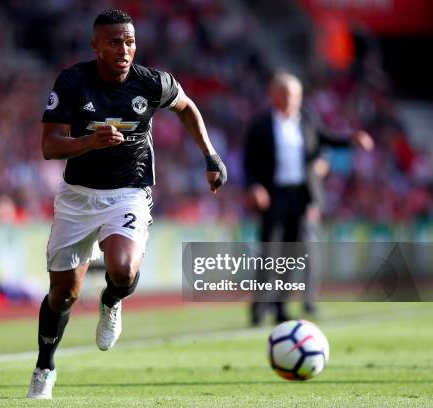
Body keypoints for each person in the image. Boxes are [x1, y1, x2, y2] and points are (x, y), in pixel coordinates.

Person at [26, 9, 227, 399]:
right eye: (115, 42)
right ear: (96, 46)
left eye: (130, 41)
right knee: (62, 295)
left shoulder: (152, 82)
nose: (124, 49)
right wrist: (89, 142)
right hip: (78, 197)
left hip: (129, 191)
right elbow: (49, 145)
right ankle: (45, 367)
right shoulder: (73, 81)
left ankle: (111, 301)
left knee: (121, 268)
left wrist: (211, 157)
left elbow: (186, 108)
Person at [243, 71, 373, 326]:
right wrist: (255, 186)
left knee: (292, 254)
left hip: (301, 196)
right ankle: (259, 308)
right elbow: (249, 163)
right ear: (274, 95)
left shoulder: (307, 121)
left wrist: (352, 140)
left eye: (296, 95)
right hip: (274, 195)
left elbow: (328, 138)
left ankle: (280, 308)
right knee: (270, 253)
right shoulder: (260, 125)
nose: (293, 100)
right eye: (288, 94)